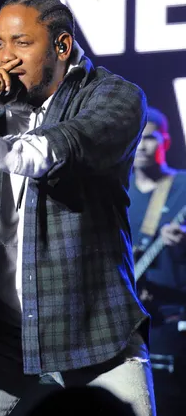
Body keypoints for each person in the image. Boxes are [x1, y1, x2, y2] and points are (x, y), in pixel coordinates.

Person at [0, 0, 156, 416]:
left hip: (93, 328)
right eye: (0, 44)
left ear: (62, 45)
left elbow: (66, 147)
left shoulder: (113, 96)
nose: (7, 58)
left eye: (22, 43)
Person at [128, 107, 186, 413]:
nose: (141, 146)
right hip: (128, 323)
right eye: (135, 139)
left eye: (149, 138)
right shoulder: (119, 191)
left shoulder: (182, 187)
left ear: (166, 141)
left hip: (172, 322)